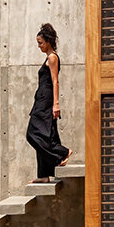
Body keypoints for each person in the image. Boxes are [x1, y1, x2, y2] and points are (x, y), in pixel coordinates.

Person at [26, 22, 72, 183]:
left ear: (48, 41)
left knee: (32, 134)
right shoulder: (48, 57)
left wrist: (56, 104)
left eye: (40, 43)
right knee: (47, 134)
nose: (39, 46)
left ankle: (62, 153)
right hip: (42, 99)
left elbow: (55, 81)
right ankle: (44, 175)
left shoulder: (52, 58)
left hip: (46, 101)